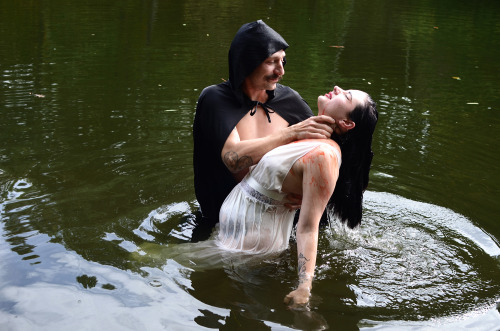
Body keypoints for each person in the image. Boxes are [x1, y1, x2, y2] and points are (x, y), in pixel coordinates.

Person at [217, 86, 378, 307]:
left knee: (162, 259)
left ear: (347, 124)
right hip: (238, 233)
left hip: (253, 246)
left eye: (346, 96)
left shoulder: (325, 156)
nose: (337, 88)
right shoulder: (307, 132)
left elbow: (308, 228)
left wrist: (304, 287)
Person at [193, 20, 335, 231]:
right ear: (247, 62)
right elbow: (234, 159)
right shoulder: (216, 100)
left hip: (283, 221)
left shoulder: (290, 101)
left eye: (283, 61)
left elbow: (330, 157)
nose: (281, 71)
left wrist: (312, 196)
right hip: (223, 222)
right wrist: (291, 133)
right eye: (272, 62)